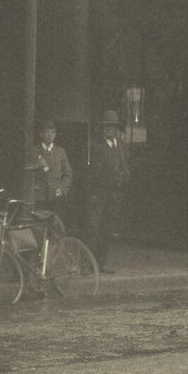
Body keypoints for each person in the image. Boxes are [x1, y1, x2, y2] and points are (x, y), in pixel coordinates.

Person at [82, 113, 130, 273]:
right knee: (92, 227)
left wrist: (123, 179)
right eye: (107, 126)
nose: (110, 129)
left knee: (108, 228)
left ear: (117, 129)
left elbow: (125, 164)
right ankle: (87, 264)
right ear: (103, 129)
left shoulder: (121, 145)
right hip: (99, 191)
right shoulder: (95, 145)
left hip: (116, 192)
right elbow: (91, 171)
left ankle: (100, 263)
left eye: (113, 126)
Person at [25, 120, 73, 211]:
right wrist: (37, 166)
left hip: (55, 196)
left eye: (53, 132)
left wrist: (62, 189)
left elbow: (68, 174)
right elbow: (27, 174)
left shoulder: (60, 152)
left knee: (54, 222)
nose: (50, 135)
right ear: (41, 134)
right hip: (38, 196)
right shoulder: (34, 151)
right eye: (47, 132)